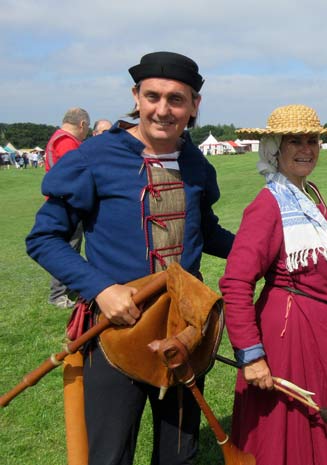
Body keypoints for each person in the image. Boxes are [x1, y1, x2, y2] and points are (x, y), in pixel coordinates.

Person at [26, 51, 234, 465]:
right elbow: (43, 238)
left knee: (180, 455)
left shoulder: (195, 163)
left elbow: (206, 233)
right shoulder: (93, 158)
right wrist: (100, 289)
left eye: (176, 99)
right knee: (109, 454)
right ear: (136, 97)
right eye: (152, 96)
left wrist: (264, 250)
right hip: (115, 331)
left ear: (194, 106)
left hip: (183, 330)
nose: (163, 110)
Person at [219, 104, 327, 465]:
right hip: (289, 338)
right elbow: (236, 282)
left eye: (313, 140)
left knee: (320, 426)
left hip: (323, 333)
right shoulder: (267, 205)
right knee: (286, 431)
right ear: (275, 148)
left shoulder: (305, 195)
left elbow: (310, 238)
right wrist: (251, 354)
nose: (307, 148)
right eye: (296, 141)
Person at [44, 107, 91, 308]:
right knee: (67, 249)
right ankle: (58, 295)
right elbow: (75, 173)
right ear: (82, 124)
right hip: (69, 203)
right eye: (87, 128)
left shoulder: (57, 138)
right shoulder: (67, 142)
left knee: (71, 246)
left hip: (62, 202)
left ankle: (69, 286)